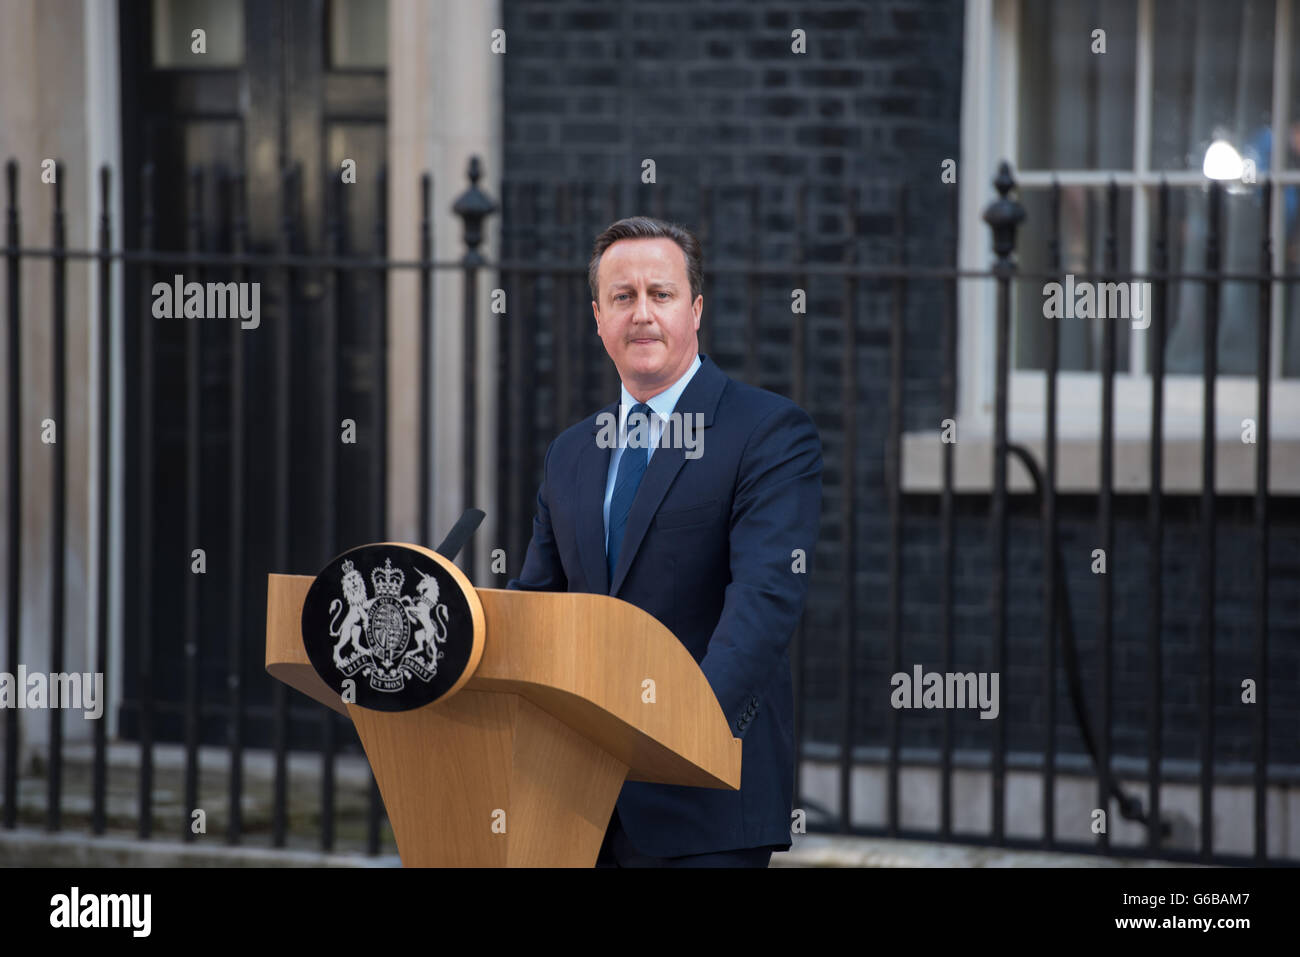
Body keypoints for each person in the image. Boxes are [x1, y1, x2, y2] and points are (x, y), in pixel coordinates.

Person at [506, 216, 823, 867]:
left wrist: (684, 730)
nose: (642, 314)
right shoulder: (570, 453)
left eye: (661, 293)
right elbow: (536, 606)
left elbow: (763, 599)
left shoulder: (767, 432)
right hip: (578, 807)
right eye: (623, 297)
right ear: (599, 318)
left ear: (696, 309)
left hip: (701, 801)